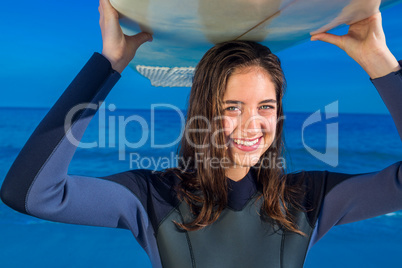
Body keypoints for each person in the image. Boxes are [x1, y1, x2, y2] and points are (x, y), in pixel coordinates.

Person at [1, 0, 401, 267]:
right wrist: (108, 65)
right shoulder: (155, 198)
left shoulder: (307, 201)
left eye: (265, 107)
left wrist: (381, 63)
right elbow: (32, 193)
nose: (251, 125)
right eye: (232, 107)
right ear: (204, 115)